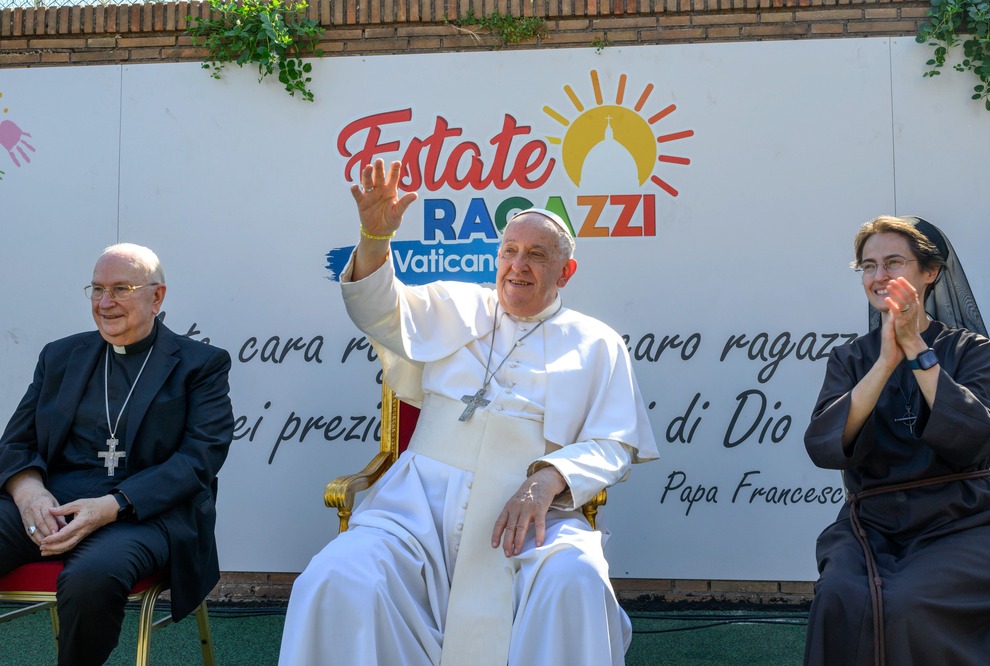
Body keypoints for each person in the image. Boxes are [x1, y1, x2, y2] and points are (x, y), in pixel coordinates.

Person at [280, 159, 659, 666]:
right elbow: (376, 309)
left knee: (576, 577)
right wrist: (374, 237)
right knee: (337, 575)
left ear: (565, 271)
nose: (518, 265)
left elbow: (615, 443)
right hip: (418, 509)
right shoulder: (455, 304)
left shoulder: (597, 342)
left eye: (536, 255)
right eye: (510, 251)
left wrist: (548, 479)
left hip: (533, 515)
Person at [0, 243, 235, 666]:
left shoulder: (201, 365)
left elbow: (199, 459)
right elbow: (16, 443)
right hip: (52, 504)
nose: (105, 303)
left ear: (157, 296)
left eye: (121, 289)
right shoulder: (60, 356)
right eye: (97, 289)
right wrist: (29, 492)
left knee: (91, 579)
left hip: (144, 513)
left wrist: (111, 506)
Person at [803, 215, 990, 665]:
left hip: (963, 518)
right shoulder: (850, 358)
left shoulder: (970, 349)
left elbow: (978, 436)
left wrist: (915, 349)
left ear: (930, 273)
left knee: (910, 602)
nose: (879, 276)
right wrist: (884, 362)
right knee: (839, 595)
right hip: (873, 523)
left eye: (893, 262)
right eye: (868, 266)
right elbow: (824, 445)